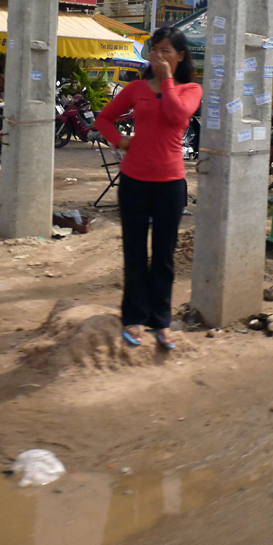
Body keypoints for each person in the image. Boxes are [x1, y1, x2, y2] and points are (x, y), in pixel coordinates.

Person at [95, 27, 202, 351]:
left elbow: (175, 114)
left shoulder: (190, 89)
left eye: (165, 50)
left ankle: (161, 321)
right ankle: (134, 317)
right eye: (154, 50)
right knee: (135, 253)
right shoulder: (136, 88)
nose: (157, 56)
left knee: (164, 256)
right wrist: (122, 141)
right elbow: (103, 120)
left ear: (180, 56)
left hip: (170, 184)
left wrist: (167, 79)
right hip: (134, 182)